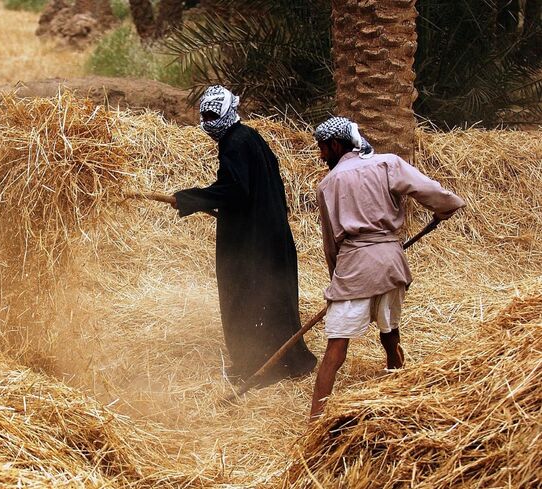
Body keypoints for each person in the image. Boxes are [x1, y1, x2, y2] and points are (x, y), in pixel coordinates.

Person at [309, 116, 466, 419]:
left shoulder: (327, 185)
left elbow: (331, 244)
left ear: (337, 144)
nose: (321, 155)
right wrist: (445, 208)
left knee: (336, 347)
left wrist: (336, 280)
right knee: (390, 329)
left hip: (353, 266)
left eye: (323, 148)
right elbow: (428, 189)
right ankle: (398, 381)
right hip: (391, 260)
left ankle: (315, 418)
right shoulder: (387, 164)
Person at [166, 85, 318, 384]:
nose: (208, 122)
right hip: (269, 234)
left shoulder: (235, 143)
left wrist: (190, 198)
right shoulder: (250, 137)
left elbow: (236, 189)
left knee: (244, 297)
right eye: (205, 116)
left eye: (213, 115)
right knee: (272, 298)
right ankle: (288, 363)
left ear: (227, 113)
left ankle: (257, 366)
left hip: (251, 242)